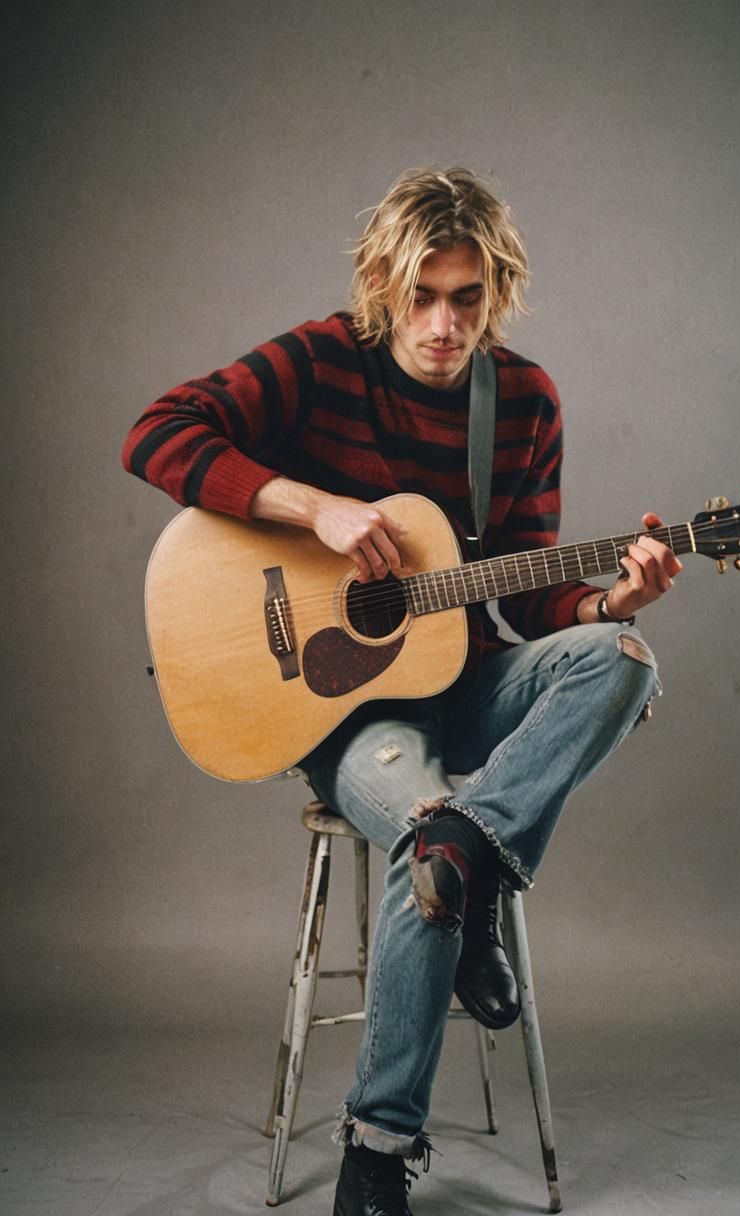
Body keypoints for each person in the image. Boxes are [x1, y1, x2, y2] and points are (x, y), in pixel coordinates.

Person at [122, 166, 682, 1215]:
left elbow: (524, 591)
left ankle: (475, 844)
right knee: (424, 830)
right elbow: (156, 430)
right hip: (346, 709)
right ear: (383, 281)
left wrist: (609, 602)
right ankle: (381, 1145)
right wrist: (313, 508)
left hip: (462, 680)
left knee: (624, 663)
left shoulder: (520, 402)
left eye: (466, 298)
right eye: (422, 294)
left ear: (495, 291)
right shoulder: (320, 361)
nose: (441, 324)